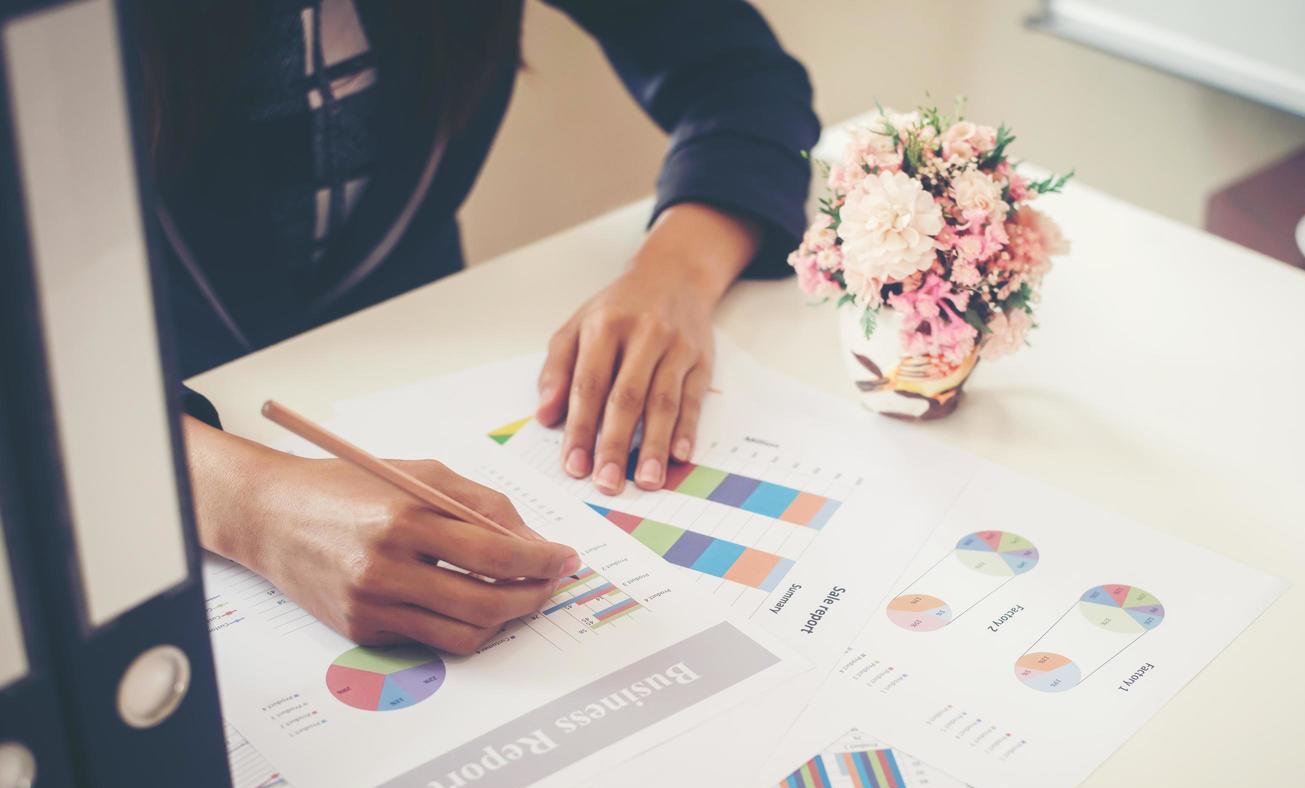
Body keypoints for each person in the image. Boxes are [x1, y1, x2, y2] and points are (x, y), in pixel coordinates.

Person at [141, 0, 819, 655]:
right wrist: (249, 504)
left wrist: (677, 271)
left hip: (433, 355)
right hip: (140, 407)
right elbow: (30, 387)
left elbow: (740, 75)